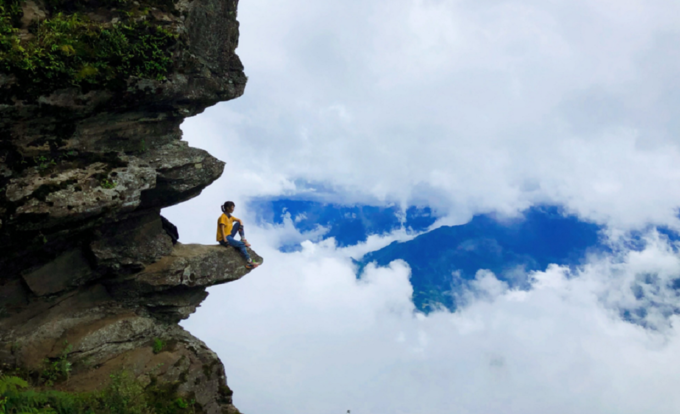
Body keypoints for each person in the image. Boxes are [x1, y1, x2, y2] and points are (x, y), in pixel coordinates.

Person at [217, 201, 259, 269]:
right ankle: (249, 262)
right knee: (241, 244)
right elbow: (222, 230)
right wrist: (225, 241)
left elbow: (239, 220)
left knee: (238, 224)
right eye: (232, 207)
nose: (233, 209)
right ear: (227, 208)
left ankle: (243, 238)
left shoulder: (229, 216)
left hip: (229, 235)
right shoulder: (223, 217)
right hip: (224, 238)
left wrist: (241, 226)